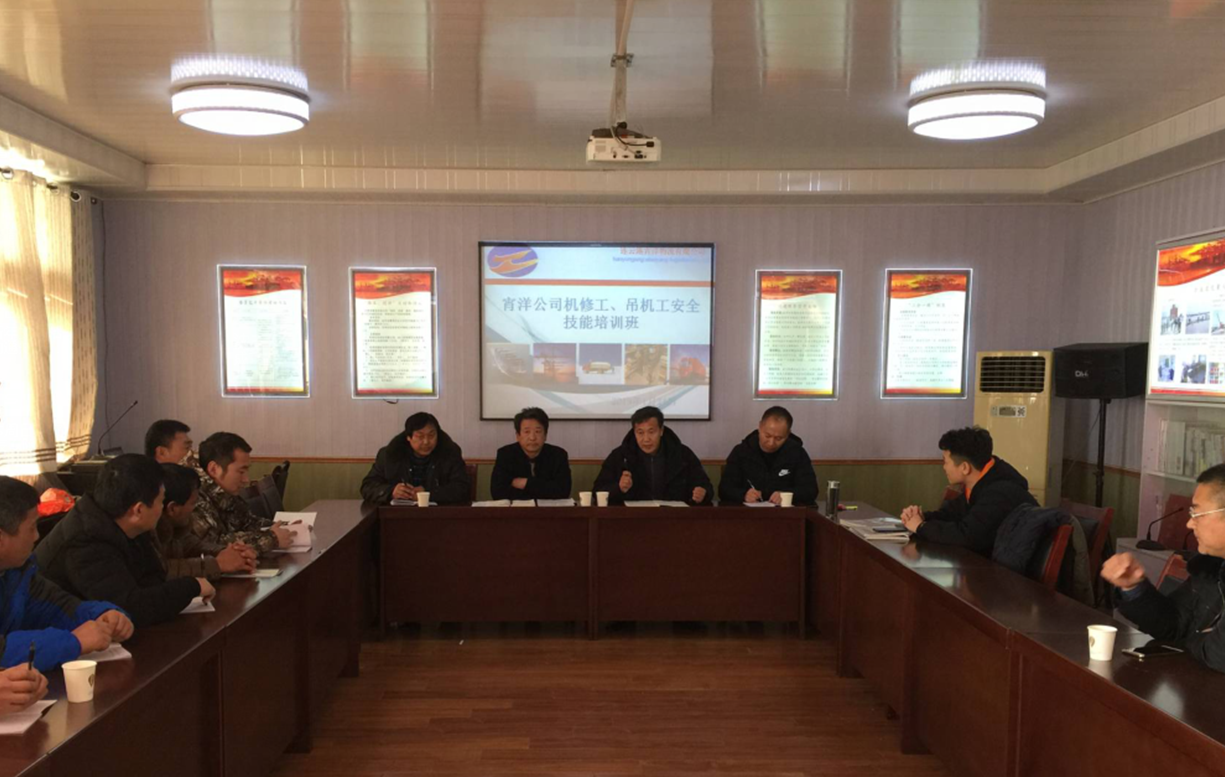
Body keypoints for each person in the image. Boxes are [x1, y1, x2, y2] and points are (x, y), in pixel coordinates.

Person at [36, 455, 212, 628]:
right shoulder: (86, 540)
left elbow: (154, 577)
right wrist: (192, 586)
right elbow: (129, 608)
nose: (162, 508)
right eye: (161, 501)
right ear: (139, 510)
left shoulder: (126, 521)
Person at [0, 477, 132, 699]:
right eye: (31, 528)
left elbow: (59, 607)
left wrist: (104, 616)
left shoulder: (17, 572)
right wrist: (74, 642)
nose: (37, 536)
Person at [1102, 465, 1225, 673]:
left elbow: (1218, 655)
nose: (1189, 524)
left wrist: (1190, 639)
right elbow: (1174, 625)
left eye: (1198, 513)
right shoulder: (1211, 566)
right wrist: (1134, 587)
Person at [899, 426, 1035, 555]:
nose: (944, 467)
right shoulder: (981, 483)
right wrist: (922, 517)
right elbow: (950, 514)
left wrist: (921, 527)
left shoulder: (1000, 492)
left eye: (945, 462)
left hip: (1009, 570)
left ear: (964, 468)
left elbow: (967, 536)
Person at [191, 432, 291, 555]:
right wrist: (272, 539)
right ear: (214, 469)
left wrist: (285, 527)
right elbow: (214, 545)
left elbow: (248, 522)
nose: (246, 480)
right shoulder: (194, 496)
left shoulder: (225, 494)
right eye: (241, 471)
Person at [593, 406, 712, 506]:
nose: (646, 439)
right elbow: (597, 492)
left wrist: (702, 493)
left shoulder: (682, 455)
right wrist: (618, 488)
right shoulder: (620, 455)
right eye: (640, 433)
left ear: (661, 430)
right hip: (632, 519)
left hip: (673, 518)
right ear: (634, 432)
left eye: (651, 432)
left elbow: (706, 487)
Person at [155, 464, 256, 579]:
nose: (195, 509)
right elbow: (158, 570)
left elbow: (194, 547)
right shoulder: (147, 530)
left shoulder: (176, 527)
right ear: (172, 508)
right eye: (193, 503)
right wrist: (217, 564)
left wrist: (231, 553)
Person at [361, 412, 471, 505]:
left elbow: (462, 488)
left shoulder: (450, 452)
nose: (426, 442)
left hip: (439, 515)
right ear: (408, 437)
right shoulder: (390, 454)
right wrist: (391, 491)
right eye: (420, 436)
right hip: (398, 515)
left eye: (431, 435)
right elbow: (367, 487)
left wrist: (428, 494)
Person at [718, 406, 818, 505]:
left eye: (778, 438)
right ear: (760, 427)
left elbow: (811, 490)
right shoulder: (741, 452)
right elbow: (724, 489)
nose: (771, 443)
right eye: (767, 436)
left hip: (785, 513)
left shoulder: (797, 453)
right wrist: (743, 495)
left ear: (788, 434)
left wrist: (787, 495)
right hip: (748, 512)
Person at [489, 407, 572, 501]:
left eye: (537, 431)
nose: (532, 437)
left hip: (548, 510)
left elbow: (563, 492)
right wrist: (543, 488)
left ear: (545, 435)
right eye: (527, 432)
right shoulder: (505, 454)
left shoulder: (558, 455)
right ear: (518, 436)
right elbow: (497, 493)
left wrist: (526, 483)